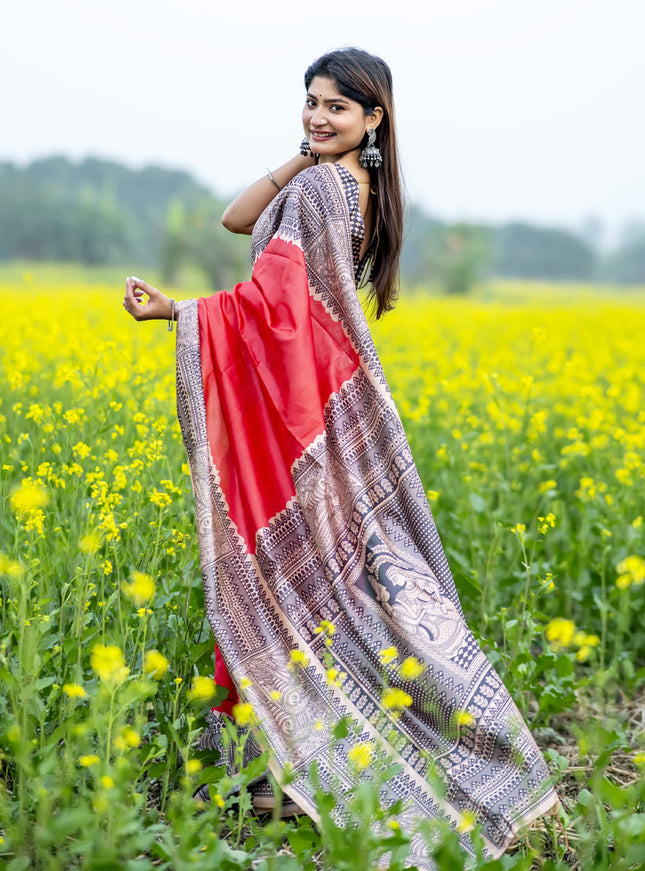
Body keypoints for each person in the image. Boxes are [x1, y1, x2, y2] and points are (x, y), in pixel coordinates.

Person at [123, 47, 557, 868]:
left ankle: (276, 779)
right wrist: (312, 148)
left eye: (337, 108)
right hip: (327, 399)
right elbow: (238, 220)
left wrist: (177, 312)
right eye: (310, 102)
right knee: (338, 586)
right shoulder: (352, 184)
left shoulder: (324, 188)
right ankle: (304, 772)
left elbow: (273, 304)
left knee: (277, 580)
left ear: (374, 117)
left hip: (295, 411)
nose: (317, 115)